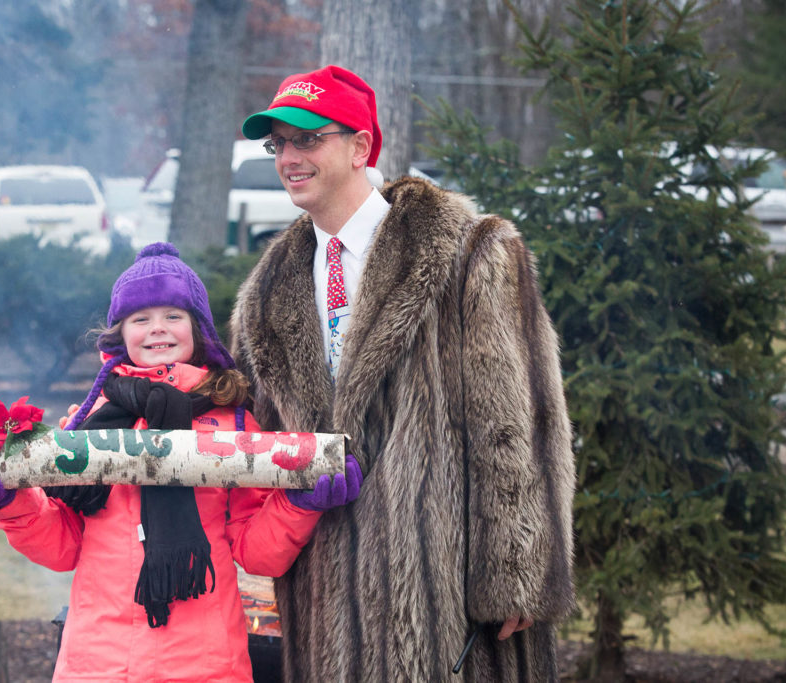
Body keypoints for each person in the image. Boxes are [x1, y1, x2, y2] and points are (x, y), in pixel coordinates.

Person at [231, 64, 576, 681]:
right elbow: (249, 429)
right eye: (277, 142)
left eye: (308, 138)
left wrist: (517, 570)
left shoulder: (471, 251)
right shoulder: (267, 287)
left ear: (361, 145)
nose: (288, 156)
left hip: (446, 593)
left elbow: (515, 420)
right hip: (321, 597)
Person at [0, 242, 361, 682]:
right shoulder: (88, 422)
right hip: (99, 663)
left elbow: (258, 554)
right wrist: (10, 503)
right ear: (121, 333)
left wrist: (299, 507)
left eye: (173, 316)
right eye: (140, 319)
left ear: (197, 328)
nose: (157, 329)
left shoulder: (234, 424)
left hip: (205, 665)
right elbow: (63, 545)